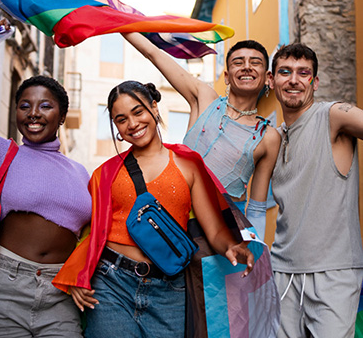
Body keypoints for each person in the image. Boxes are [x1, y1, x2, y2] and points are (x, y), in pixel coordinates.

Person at [52, 80, 255, 337]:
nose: (133, 124)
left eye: (138, 112)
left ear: (154, 108)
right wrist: (79, 277)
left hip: (170, 290)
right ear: (116, 127)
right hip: (111, 284)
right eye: (121, 119)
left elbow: (213, 229)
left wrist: (232, 246)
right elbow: (91, 234)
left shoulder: (188, 165)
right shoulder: (105, 174)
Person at [0, 19, 92, 337]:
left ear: (62, 116)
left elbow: (94, 232)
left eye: (45, 106)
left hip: (61, 294)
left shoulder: (81, 173)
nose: (33, 112)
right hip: (4, 290)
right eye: (24, 105)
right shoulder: (0, 153)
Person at [123, 32, 281, 240]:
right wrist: (117, 22)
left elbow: (258, 209)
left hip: (225, 230)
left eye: (256, 62)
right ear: (226, 75)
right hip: (173, 219)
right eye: (238, 62)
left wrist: (256, 252)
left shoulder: (268, 136)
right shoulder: (204, 98)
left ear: (268, 78)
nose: (246, 67)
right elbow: (153, 53)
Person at [268, 43, 363, 338]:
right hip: (282, 271)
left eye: (303, 73)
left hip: (333, 272)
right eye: (285, 72)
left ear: (315, 82)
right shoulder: (274, 137)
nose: (293, 80)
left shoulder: (333, 116)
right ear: (271, 81)